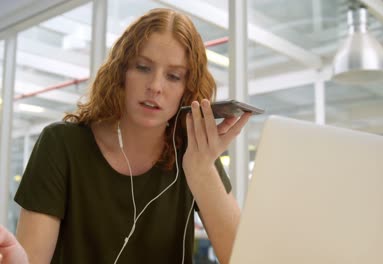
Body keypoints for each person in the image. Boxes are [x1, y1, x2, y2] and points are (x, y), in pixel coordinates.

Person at [4, 7, 251, 264]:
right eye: (143, 67)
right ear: (121, 72)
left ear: (186, 89)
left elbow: (245, 259)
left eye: (173, 76)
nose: (155, 86)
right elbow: (31, 259)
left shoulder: (194, 151)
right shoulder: (61, 145)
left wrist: (201, 170)